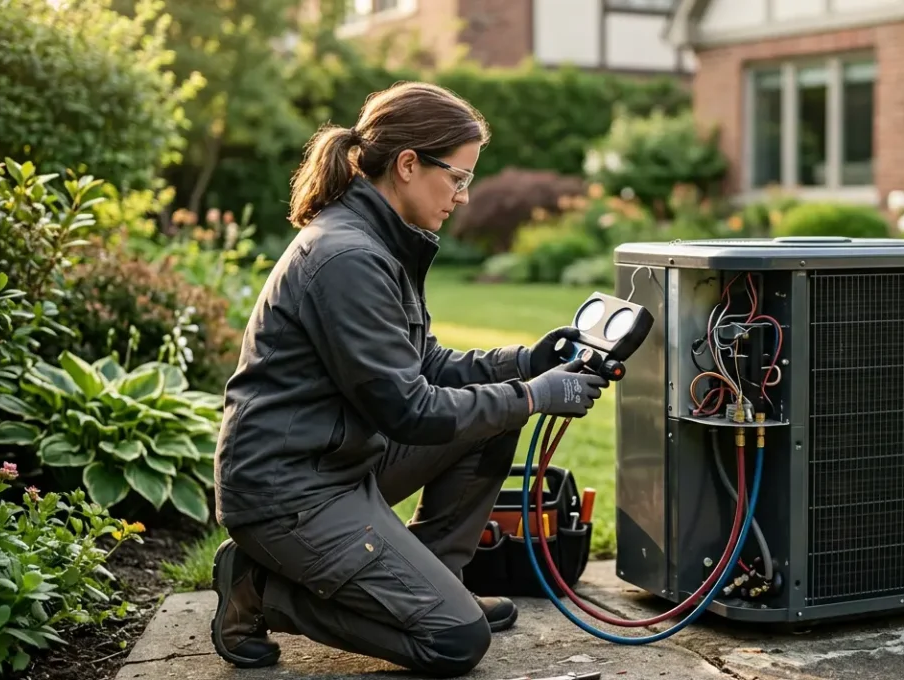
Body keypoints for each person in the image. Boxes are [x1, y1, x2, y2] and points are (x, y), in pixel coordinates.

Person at [208, 81, 610, 677]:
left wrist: (527, 363)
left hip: (339, 461)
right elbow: (411, 411)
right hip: (288, 492)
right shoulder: (348, 258)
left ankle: (433, 582)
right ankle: (261, 590)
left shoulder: (380, 243)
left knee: (495, 417)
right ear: (406, 164)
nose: (464, 197)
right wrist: (534, 395)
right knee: (455, 642)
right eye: (458, 178)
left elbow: (424, 365)